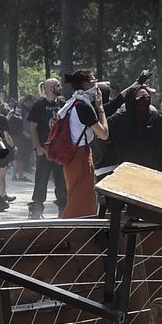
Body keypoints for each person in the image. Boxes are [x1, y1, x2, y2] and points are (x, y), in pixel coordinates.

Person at [56, 70, 110, 218]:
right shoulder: (84, 107)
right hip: (80, 156)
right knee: (81, 201)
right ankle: (71, 234)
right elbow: (104, 134)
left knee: (77, 197)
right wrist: (100, 108)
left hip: (72, 156)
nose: (96, 85)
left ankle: (76, 234)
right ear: (86, 85)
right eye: (94, 81)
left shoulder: (72, 103)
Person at [27, 78, 66, 219]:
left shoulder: (63, 104)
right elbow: (33, 127)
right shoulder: (39, 104)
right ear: (50, 88)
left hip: (59, 151)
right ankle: (36, 209)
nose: (60, 87)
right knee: (41, 180)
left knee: (61, 180)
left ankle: (63, 209)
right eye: (57, 85)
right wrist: (38, 146)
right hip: (44, 150)